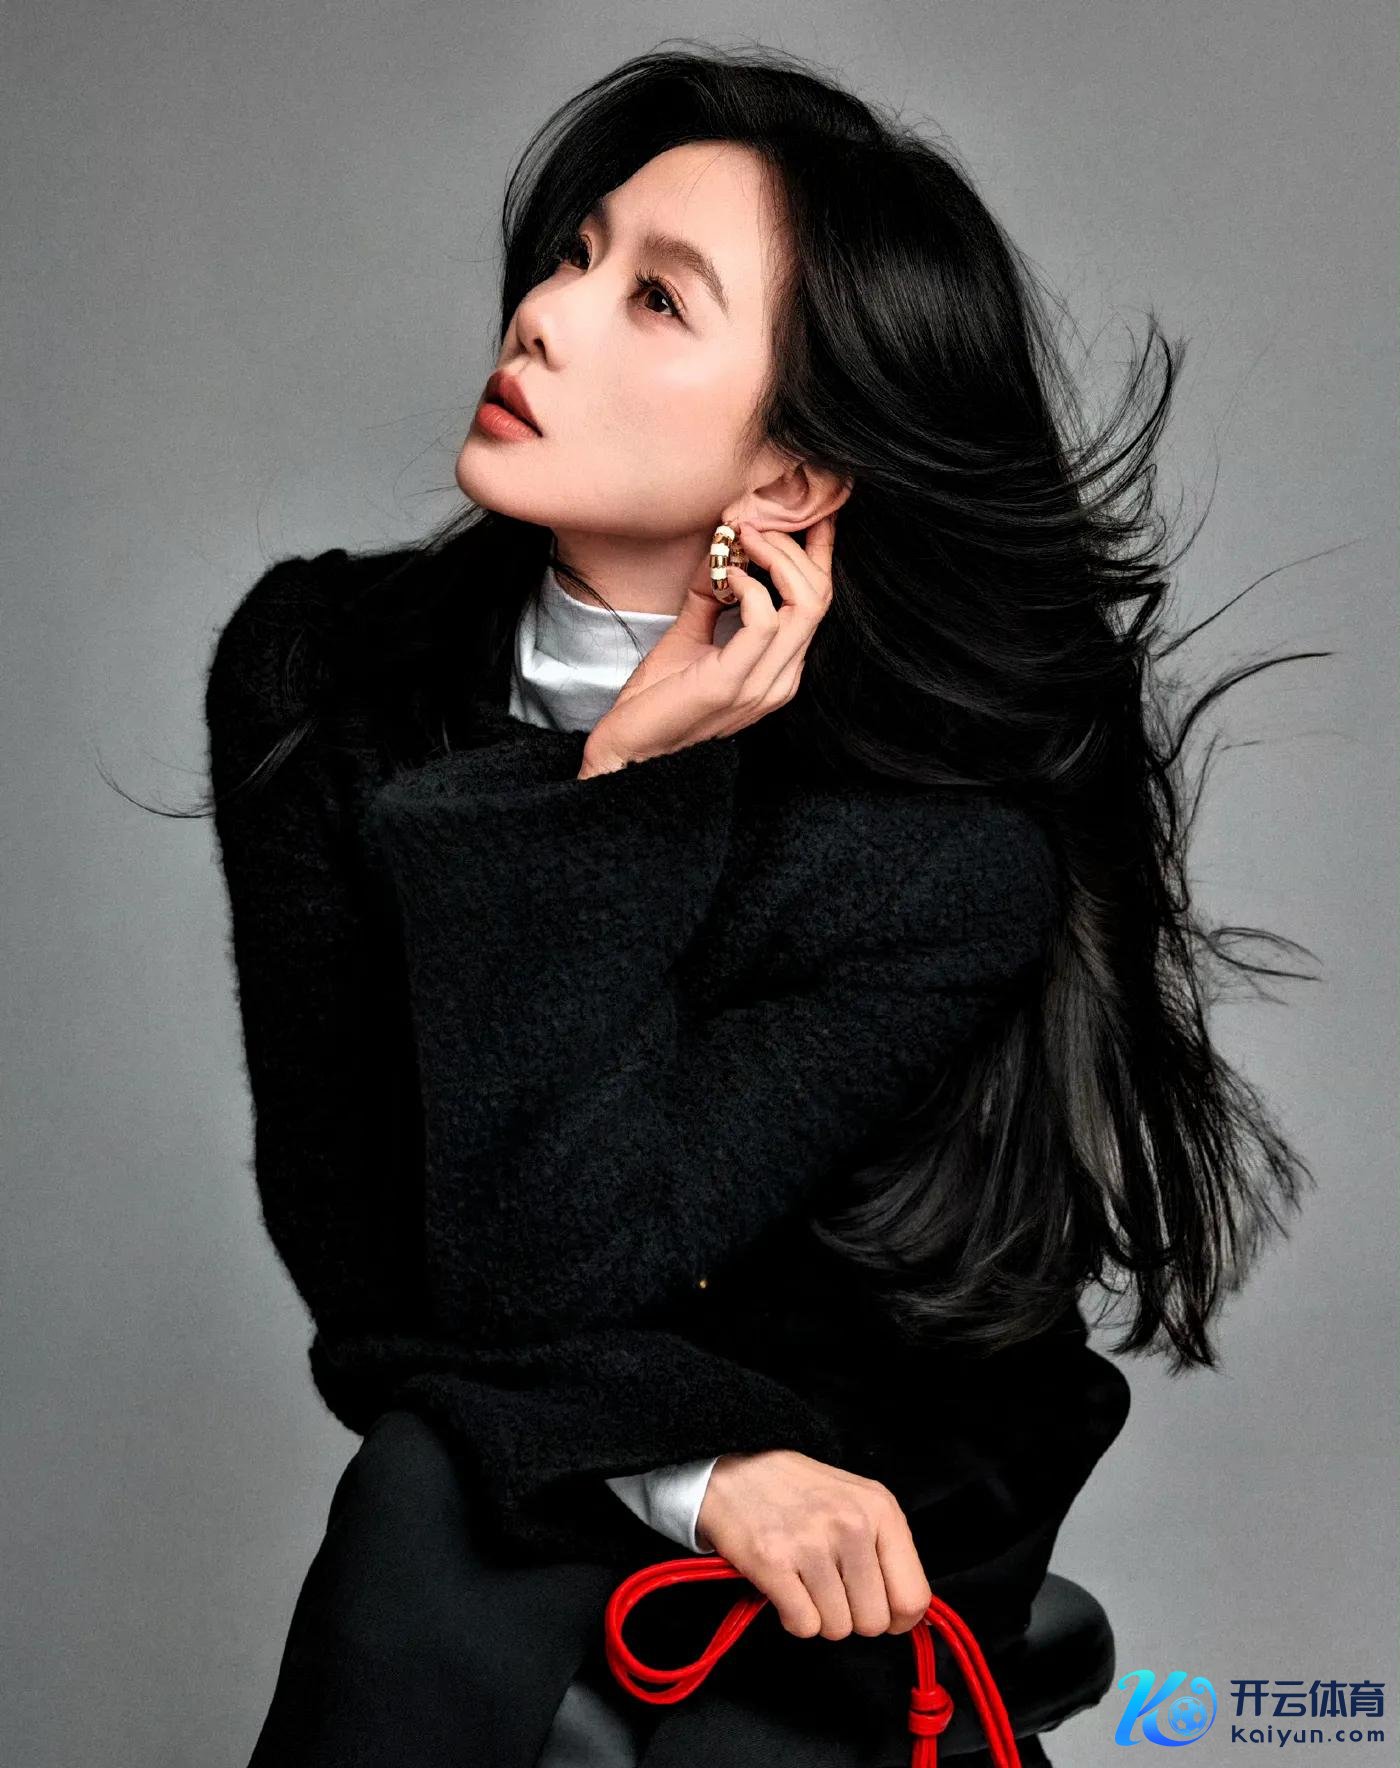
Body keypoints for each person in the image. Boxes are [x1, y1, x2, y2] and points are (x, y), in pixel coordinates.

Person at [201, 44, 1316, 1768]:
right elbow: (377, 1269)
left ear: (790, 480)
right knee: (431, 1501)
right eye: (576, 254)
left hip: (861, 1478)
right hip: (592, 1445)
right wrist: (695, 1469)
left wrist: (625, 799)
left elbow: (554, 1262)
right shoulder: (327, 676)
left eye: (655, 298)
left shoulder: (932, 856)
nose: (542, 317)